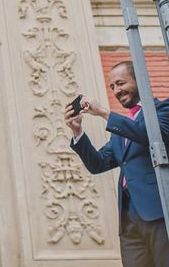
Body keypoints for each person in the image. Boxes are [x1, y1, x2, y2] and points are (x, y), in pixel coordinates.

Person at [65, 60, 169, 267]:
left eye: (121, 83)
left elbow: (151, 134)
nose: (116, 91)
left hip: (160, 213)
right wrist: (77, 131)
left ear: (140, 79)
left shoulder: (163, 109)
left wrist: (104, 112)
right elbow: (98, 164)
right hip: (129, 220)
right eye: (112, 87)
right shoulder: (120, 133)